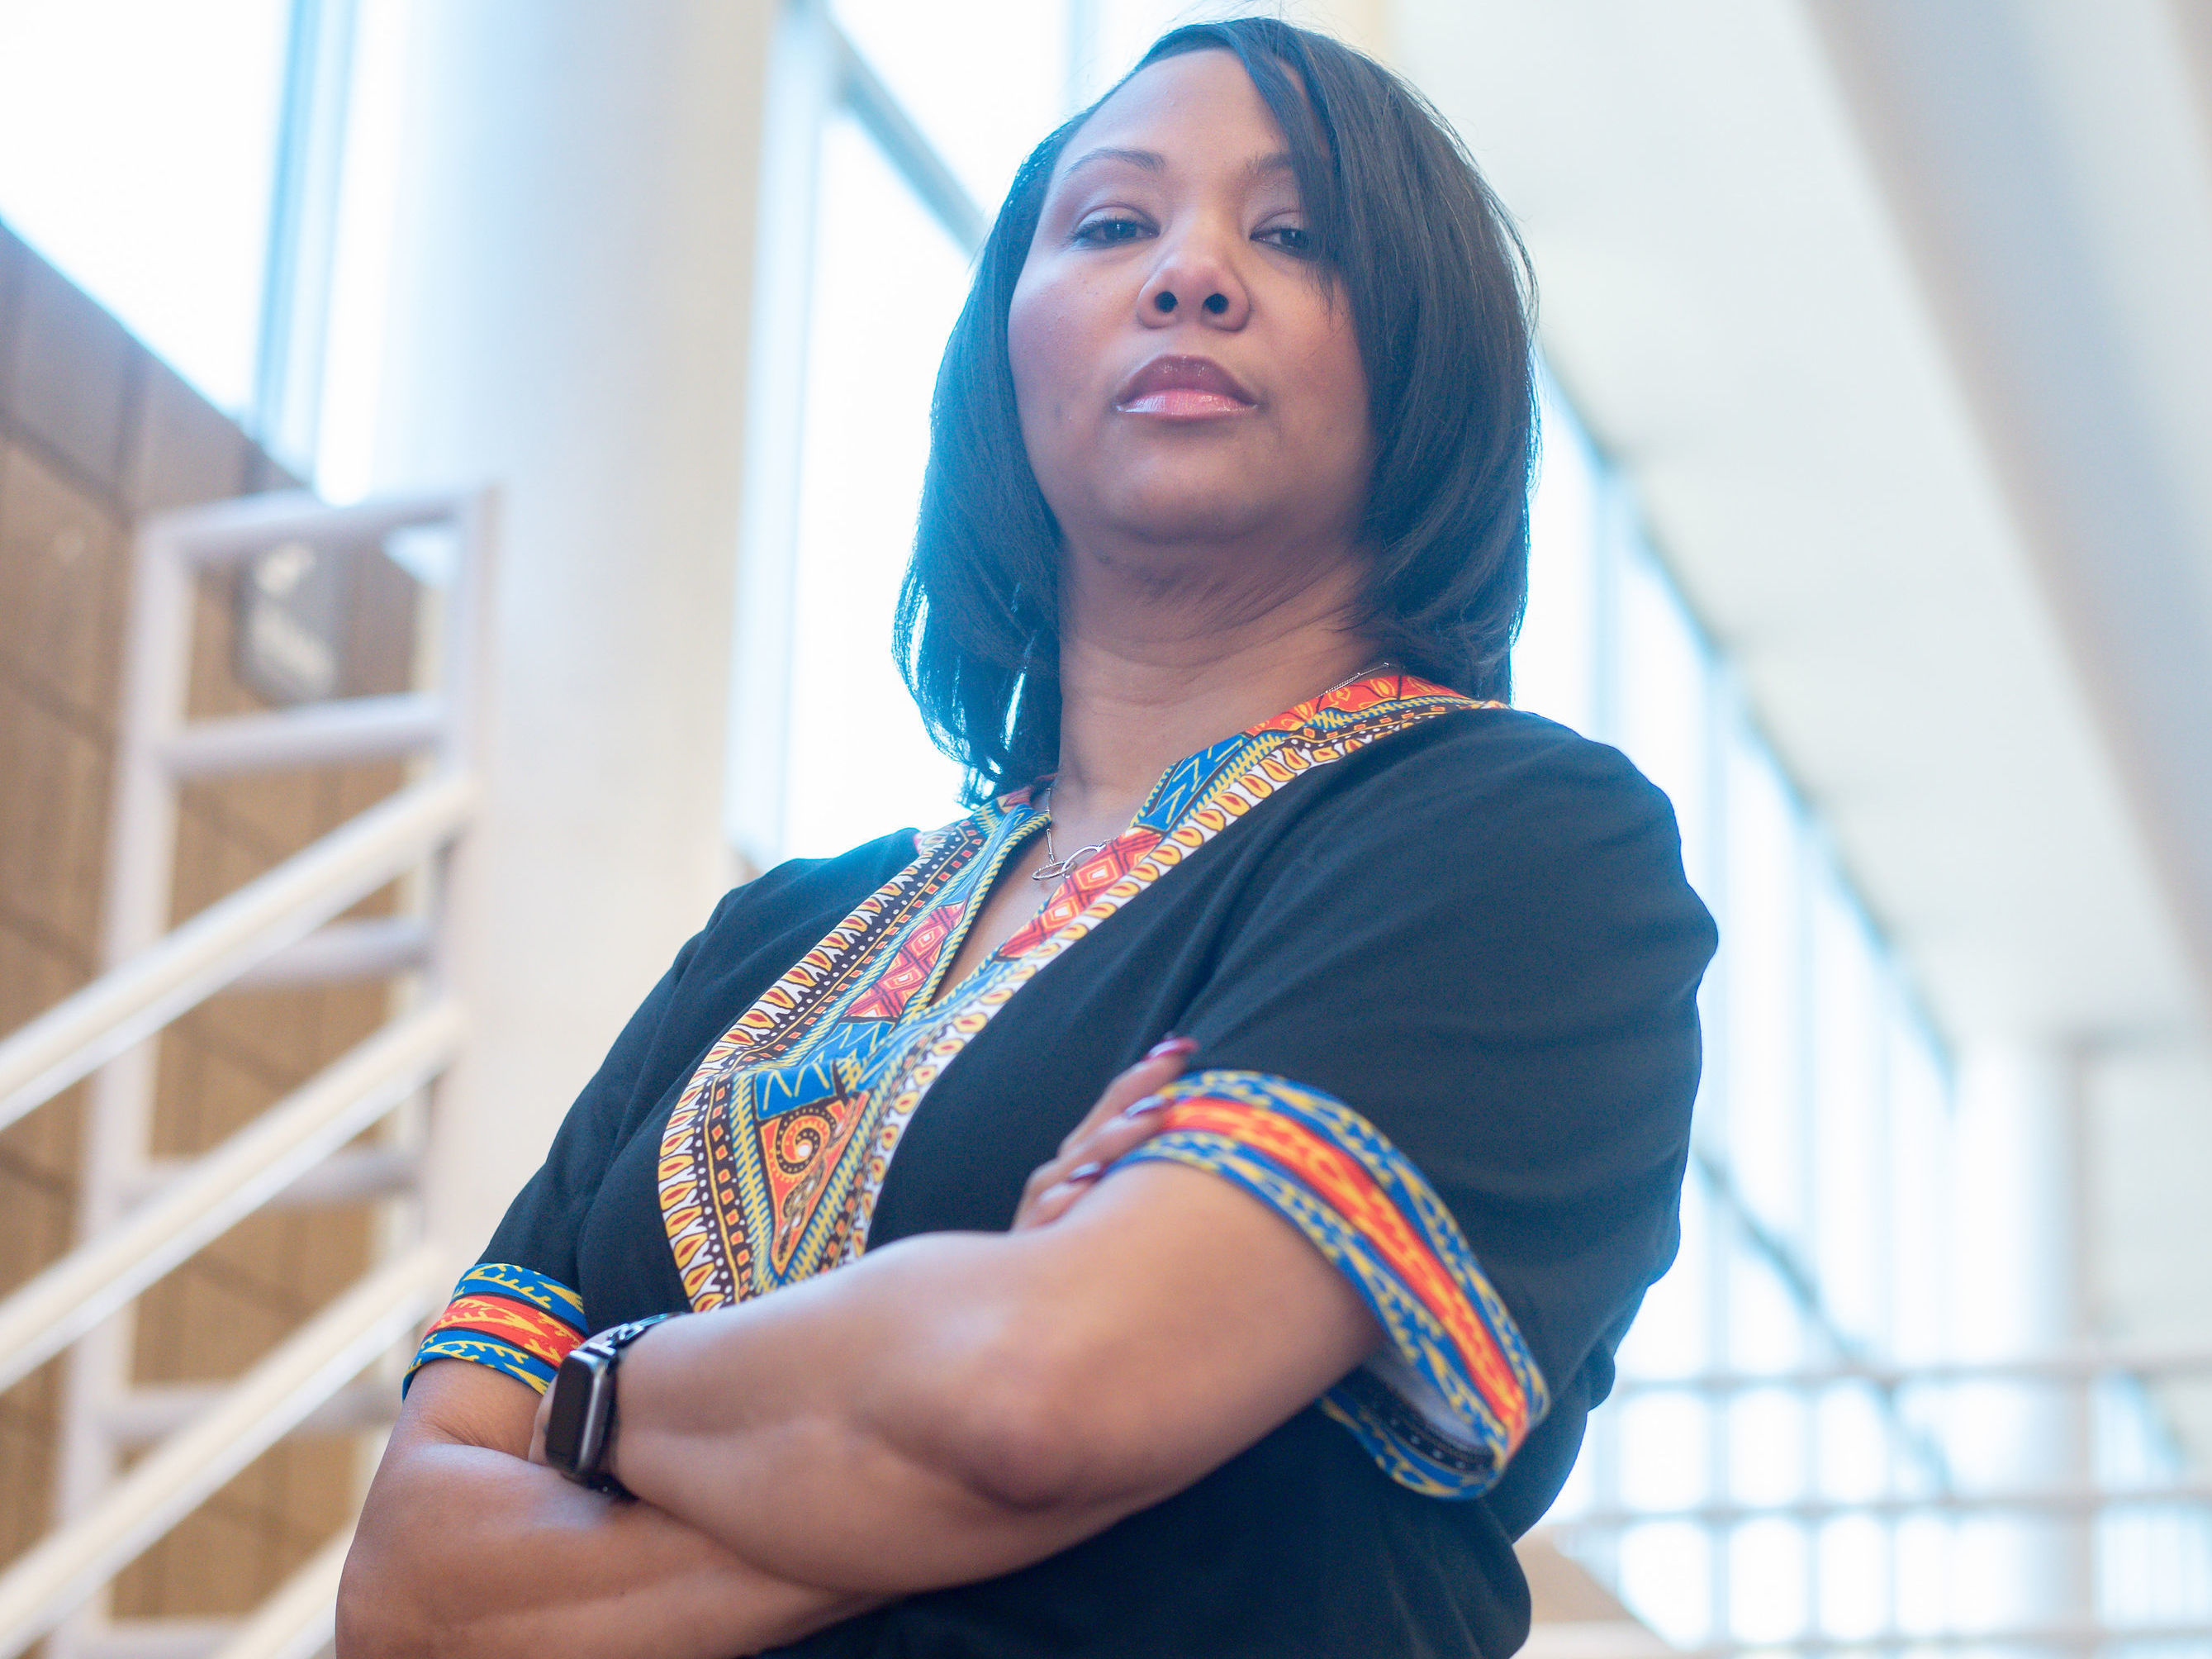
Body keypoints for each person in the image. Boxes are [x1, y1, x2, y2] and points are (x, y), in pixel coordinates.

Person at [338, 18, 1716, 1657]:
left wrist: (594, 1400)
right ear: (1005, 349)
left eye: (1292, 235)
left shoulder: (1518, 853)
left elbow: (1036, 1392)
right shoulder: (769, 937)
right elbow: (408, 1590)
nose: (1193, 274)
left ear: (1429, 361)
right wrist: (907, 1419)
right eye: (1113, 223)